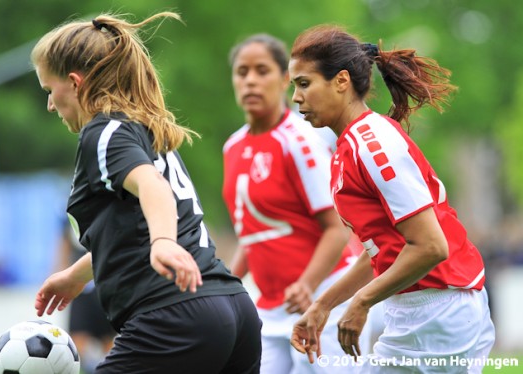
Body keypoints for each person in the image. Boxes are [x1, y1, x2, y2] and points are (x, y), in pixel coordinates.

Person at [30, 11, 262, 374]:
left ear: (75, 83)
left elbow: (153, 189)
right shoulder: (148, 133)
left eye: (49, 90)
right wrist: (77, 276)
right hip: (233, 308)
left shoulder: (102, 133)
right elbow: (130, 229)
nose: (49, 104)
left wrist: (164, 242)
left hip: (176, 316)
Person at [288, 25, 495, 372]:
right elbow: (386, 251)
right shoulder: (348, 148)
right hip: (421, 308)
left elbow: (431, 247)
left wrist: (362, 302)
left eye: (304, 83)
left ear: (341, 81)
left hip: (439, 309)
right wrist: (324, 305)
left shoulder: (372, 144)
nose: (296, 97)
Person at [223, 33, 371, 374]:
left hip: (323, 301)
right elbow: (253, 232)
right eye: (242, 72)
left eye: (262, 71)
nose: (250, 81)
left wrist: (307, 283)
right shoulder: (233, 147)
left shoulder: (301, 141)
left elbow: (336, 228)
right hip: (269, 311)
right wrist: (228, 286)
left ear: (284, 79)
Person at [54, 220, 116, 372]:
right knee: (78, 338)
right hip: (80, 286)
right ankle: (93, 367)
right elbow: (65, 242)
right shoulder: (69, 209)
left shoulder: (114, 202)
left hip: (106, 282)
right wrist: (60, 272)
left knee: (108, 339)